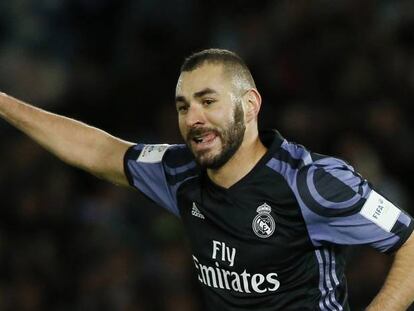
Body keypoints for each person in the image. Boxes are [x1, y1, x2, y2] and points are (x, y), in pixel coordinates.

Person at [1, 48, 413, 311]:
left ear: (249, 105)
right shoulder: (179, 173)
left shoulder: (311, 181)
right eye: (183, 107)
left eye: (208, 101)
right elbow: (99, 150)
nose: (192, 118)